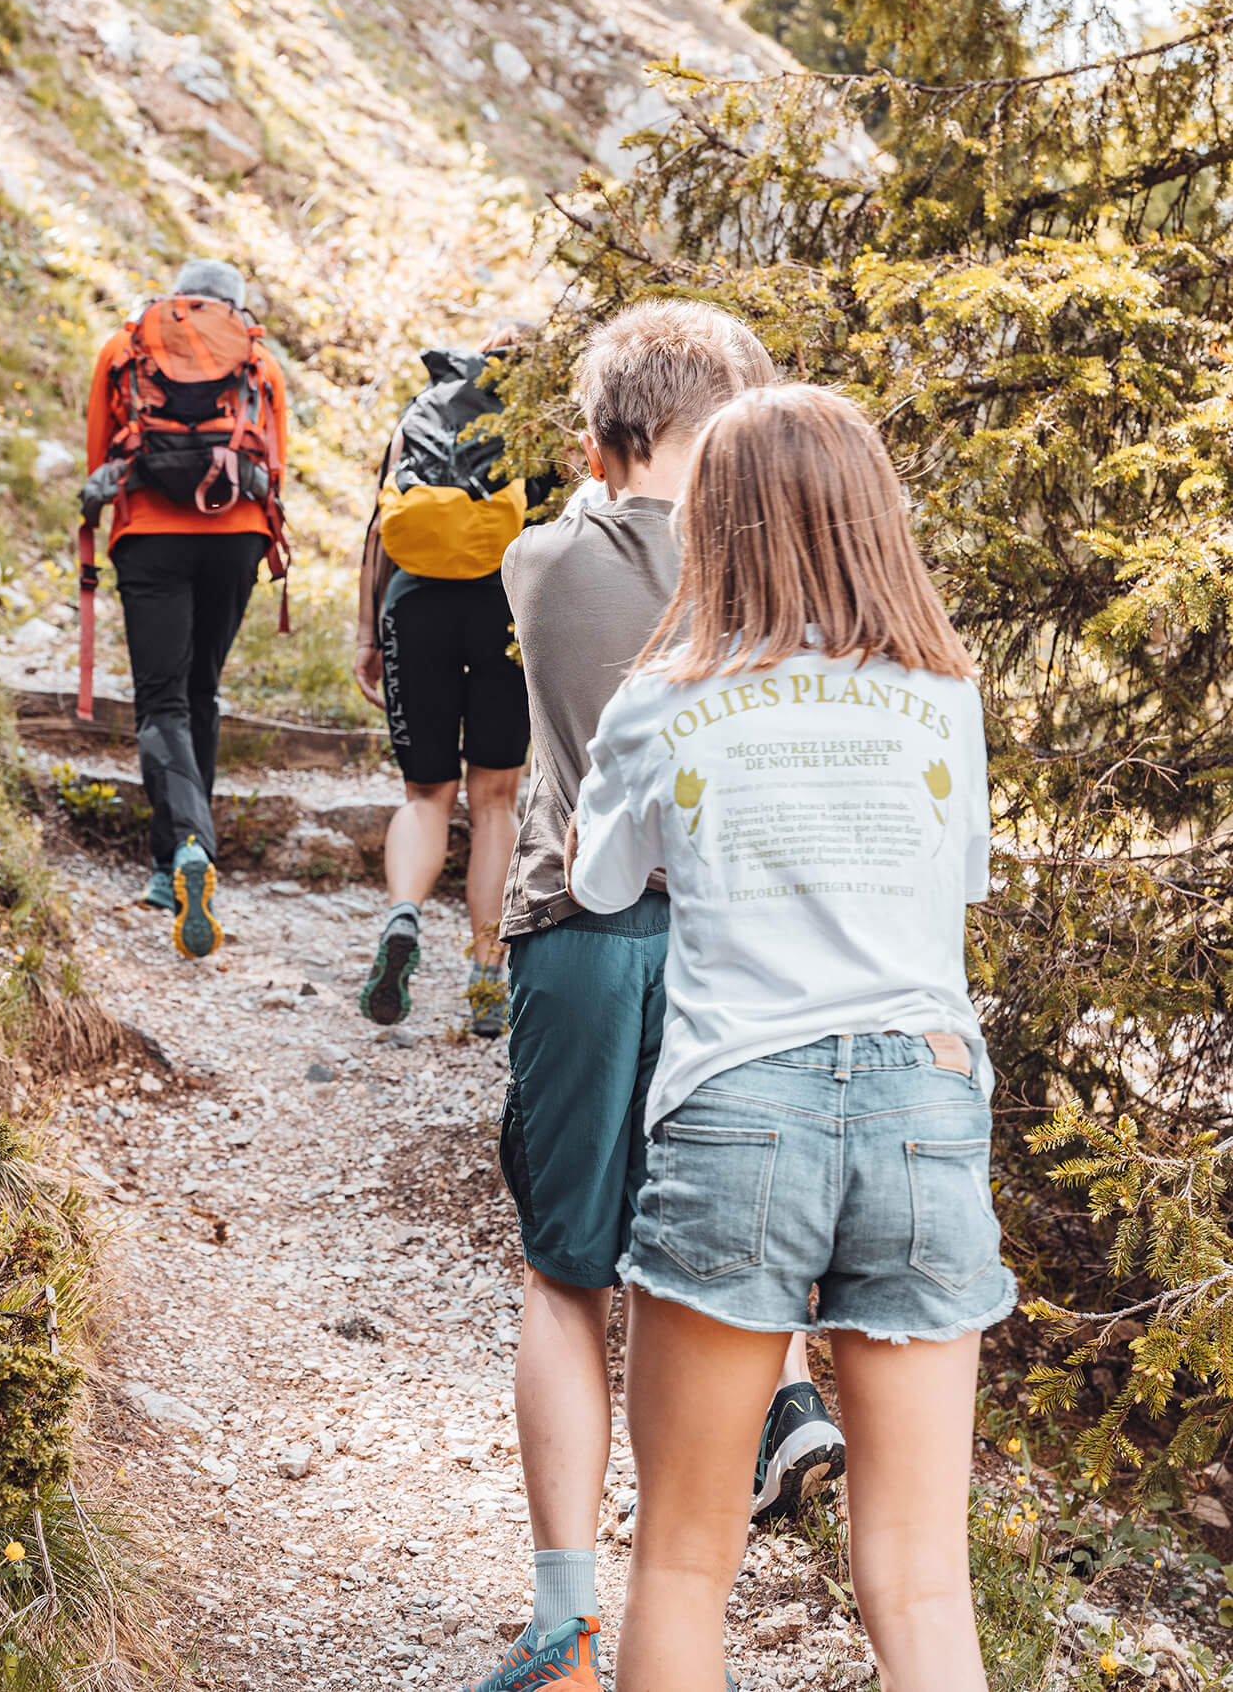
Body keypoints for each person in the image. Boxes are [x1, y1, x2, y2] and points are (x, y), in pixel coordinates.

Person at [568, 383, 1013, 1692]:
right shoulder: (943, 699)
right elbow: (960, 879)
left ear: (717, 526)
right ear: (876, 518)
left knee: (686, 1559)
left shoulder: (668, 696)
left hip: (737, 1104)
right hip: (927, 1109)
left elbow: (599, 885)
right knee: (926, 1578)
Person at [465, 305, 844, 1692]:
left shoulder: (546, 557)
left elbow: (585, 517)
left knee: (566, 1275)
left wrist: (608, 465)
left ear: (607, 441)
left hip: (580, 936)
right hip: (742, 952)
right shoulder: (793, 579)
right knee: (715, 1263)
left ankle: (565, 1626)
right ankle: (775, 1413)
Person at [84, 259, 287, 959]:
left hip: (150, 536)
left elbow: (98, 460)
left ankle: (178, 855)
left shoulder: (124, 347)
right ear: (235, 307)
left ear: (176, 299)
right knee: (201, 691)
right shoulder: (258, 358)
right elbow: (275, 467)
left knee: (161, 701)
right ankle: (173, 857)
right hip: (234, 535)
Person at [354, 331, 531, 1034]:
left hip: (413, 604)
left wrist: (368, 633)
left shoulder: (422, 410)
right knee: (495, 799)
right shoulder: (534, 421)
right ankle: (487, 976)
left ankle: (404, 913)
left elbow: (377, 527)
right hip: (505, 612)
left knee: (426, 794)